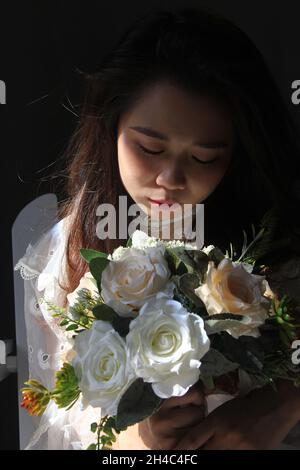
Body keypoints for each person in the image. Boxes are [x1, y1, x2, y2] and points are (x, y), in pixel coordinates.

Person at [15, 6, 300, 450]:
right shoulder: (74, 248)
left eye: (205, 157)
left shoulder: (277, 239)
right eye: (149, 148)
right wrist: (136, 436)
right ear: (111, 126)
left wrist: (280, 405)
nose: (170, 179)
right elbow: (65, 407)